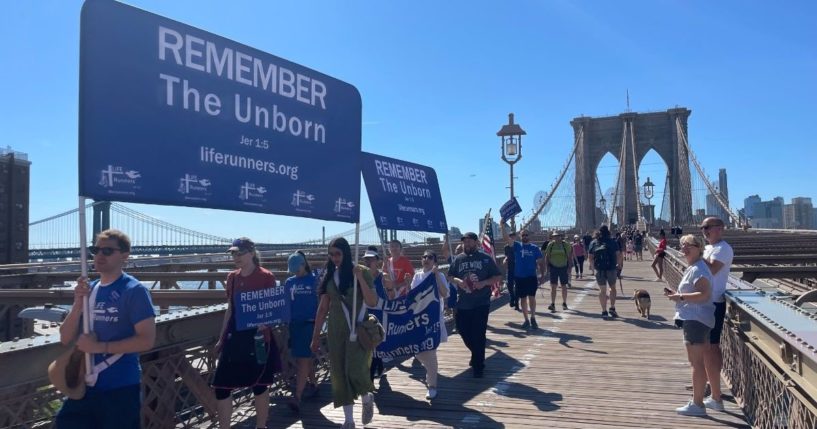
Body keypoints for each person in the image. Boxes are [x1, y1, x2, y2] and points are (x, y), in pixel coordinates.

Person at [56, 229, 156, 429]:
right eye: (96, 250)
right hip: (83, 387)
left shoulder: (135, 291)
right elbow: (65, 337)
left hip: (120, 388)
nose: (99, 255)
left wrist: (98, 347)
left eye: (108, 251)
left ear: (124, 256)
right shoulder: (90, 289)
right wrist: (77, 303)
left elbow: (146, 340)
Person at [211, 237, 282, 429]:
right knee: (221, 387)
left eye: (239, 253)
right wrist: (221, 338)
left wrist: (265, 324)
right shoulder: (232, 277)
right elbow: (230, 309)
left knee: (260, 385)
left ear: (251, 253)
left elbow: (273, 310)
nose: (236, 257)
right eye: (233, 253)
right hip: (235, 336)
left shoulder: (266, 276)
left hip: (258, 337)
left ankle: (261, 426)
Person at [311, 238, 379, 429]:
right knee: (339, 374)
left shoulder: (361, 271)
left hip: (357, 328)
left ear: (346, 253)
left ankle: (367, 397)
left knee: (356, 370)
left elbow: (373, 301)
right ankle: (348, 420)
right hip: (336, 329)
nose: (334, 258)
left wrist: (359, 279)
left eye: (338, 254)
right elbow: (323, 307)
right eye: (331, 254)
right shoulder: (330, 275)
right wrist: (316, 336)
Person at [665, 234, 715, 416]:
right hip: (697, 318)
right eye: (682, 245)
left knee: (696, 364)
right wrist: (678, 294)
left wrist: (680, 297)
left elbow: (704, 294)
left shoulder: (698, 269)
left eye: (689, 246)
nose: (684, 248)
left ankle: (697, 404)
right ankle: (698, 401)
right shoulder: (695, 267)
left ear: (699, 247)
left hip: (696, 319)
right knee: (698, 362)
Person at [447, 232, 502, 377]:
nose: (467, 244)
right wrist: (459, 282)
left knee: (478, 333)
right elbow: (450, 276)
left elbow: (497, 276)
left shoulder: (485, 258)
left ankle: (479, 366)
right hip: (463, 303)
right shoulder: (458, 259)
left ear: (476, 243)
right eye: (465, 242)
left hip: (481, 302)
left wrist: (483, 283)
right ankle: (476, 353)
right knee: (463, 330)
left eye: (470, 241)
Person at [699, 217, 734, 412]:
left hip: (712, 303)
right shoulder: (709, 248)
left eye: (707, 227)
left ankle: (715, 396)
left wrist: (696, 255)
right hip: (705, 302)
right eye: (703, 228)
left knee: (710, 348)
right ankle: (710, 384)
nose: (704, 231)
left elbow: (711, 269)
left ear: (719, 229)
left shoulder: (723, 248)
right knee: (709, 347)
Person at [409, 250, 449, 400]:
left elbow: (445, 294)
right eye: (424, 257)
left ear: (434, 261)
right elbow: (412, 297)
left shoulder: (439, 275)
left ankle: (432, 386)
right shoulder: (417, 275)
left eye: (430, 257)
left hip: (433, 320)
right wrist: (407, 284)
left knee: (430, 352)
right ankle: (430, 371)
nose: (426, 259)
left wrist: (437, 275)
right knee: (419, 352)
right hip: (418, 320)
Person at [284, 250, 319, 414]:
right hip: (294, 326)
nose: (295, 274)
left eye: (297, 270)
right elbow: (284, 304)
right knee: (302, 358)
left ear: (303, 265)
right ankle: (313, 383)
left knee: (304, 359)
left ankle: (297, 397)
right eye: (292, 271)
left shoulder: (315, 280)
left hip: (309, 325)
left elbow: (323, 302)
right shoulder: (289, 282)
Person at [500, 222, 545, 330]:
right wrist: (502, 226)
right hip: (519, 277)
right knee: (523, 299)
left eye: (526, 235)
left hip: (531, 276)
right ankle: (526, 320)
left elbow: (540, 262)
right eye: (523, 235)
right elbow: (506, 238)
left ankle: (533, 317)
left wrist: (542, 275)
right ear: (520, 236)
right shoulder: (516, 245)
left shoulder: (535, 248)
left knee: (532, 298)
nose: (525, 236)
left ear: (529, 236)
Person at [362, 246, 393, 380]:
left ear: (377, 261)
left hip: (380, 315)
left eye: (371, 259)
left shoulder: (383, 277)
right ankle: (378, 368)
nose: (368, 262)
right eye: (366, 259)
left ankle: (370, 378)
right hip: (366, 314)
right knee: (371, 346)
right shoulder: (361, 276)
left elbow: (392, 294)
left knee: (376, 344)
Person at [587, 225, 623, 318]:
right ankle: (612, 307)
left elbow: (590, 257)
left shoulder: (594, 242)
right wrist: (619, 265)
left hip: (599, 269)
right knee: (612, 288)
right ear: (608, 232)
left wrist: (593, 268)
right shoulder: (613, 242)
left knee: (602, 290)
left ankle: (604, 311)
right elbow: (619, 255)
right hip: (611, 268)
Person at [544, 231, 573, 311]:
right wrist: (547, 267)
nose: (556, 237)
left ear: (561, 236)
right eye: (554, 236)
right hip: (553, 267)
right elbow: (547, 256)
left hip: (563, 267)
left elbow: (569, 257)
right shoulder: (551, 244)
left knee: (564, 286)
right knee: (553, 286)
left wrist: (569, 268)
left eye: (557, 236)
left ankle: (564, 303)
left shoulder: (565, 245)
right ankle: (552, 304)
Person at [503, 232, 518, 309]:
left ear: (515, 237)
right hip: (510, 267)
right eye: (510, 236)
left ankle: (517, 302)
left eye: (513, 236)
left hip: (518, 267)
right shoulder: (506, 247)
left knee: (518, 285)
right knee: (509, 284)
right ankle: (512, 297)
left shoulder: (518, 246)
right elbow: (506, 256)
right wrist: (505, 260)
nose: (512, 238)